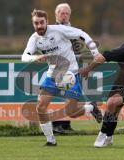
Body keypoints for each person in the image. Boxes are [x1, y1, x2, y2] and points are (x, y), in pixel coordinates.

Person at [21, 9, 102, 146]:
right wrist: (36, 57)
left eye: (42, 22)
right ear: (33, 24)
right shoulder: (34, 38)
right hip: (52, 76)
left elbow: (82, 34)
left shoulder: (59, 30)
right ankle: (50, 141)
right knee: (40, 107)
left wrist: (95, 52)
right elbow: (24, 56)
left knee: (72, 113)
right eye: (36, 23)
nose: (39, 25)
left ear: (47, 22)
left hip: (70, 74)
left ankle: (90, 108)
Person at [52, 3, 75, 134]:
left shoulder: (72, 29)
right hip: (58, 67)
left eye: (67, 13)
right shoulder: (52, 29)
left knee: (71, 96)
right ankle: (56, 124)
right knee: (59, 97)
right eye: (62, 13)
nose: (65, 16)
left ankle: (65, 123)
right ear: (56, 14)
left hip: (71, 67)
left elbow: (76, 46)